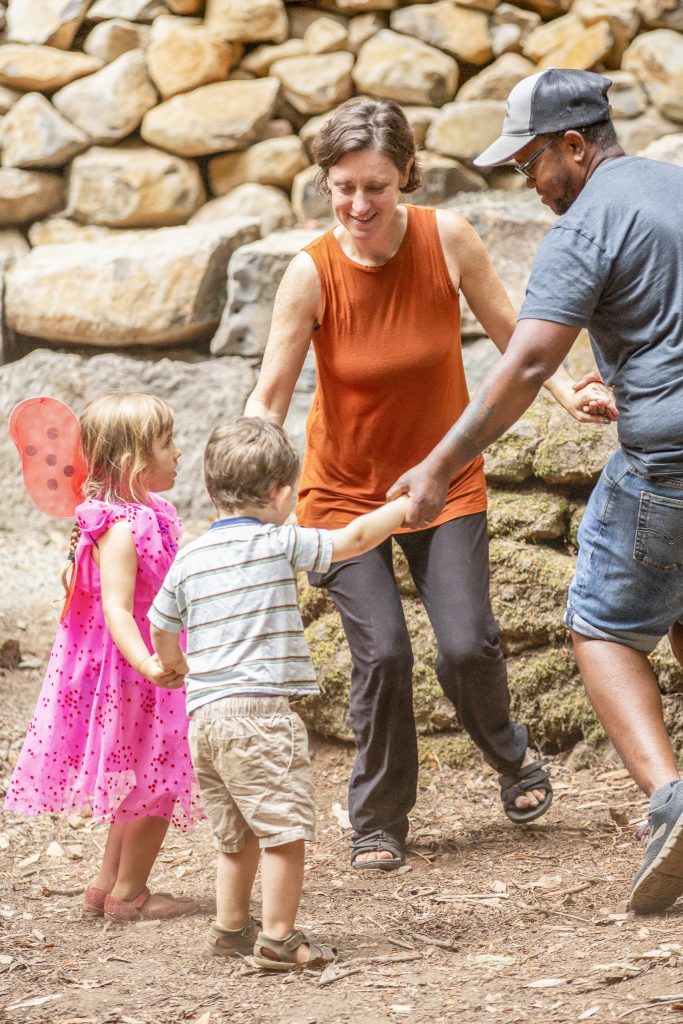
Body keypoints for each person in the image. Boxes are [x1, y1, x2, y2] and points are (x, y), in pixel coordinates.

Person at [243, 96, 615, 870]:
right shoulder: (308, 273)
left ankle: (510, 757)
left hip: (442, 483)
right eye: (342, 186)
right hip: (343, 499)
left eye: (375, 186)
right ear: (324, 183)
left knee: (466, 645)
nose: (357, 204)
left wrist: (564, 391)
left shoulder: (448, 239)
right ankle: (378, 819)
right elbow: (269, 398)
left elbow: (515, 336)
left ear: (406, 176)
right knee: (380, 656)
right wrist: (251, 493)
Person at [389, 68, 683, 913]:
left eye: (528, 163)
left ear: (574, 145)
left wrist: (439, 466)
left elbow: (525, 362)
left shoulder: (586, 224)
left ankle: (669, 801)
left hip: (664, 461)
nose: (526, 181)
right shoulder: (671, 186)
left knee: (603, 622)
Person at [148, 417, 410, 968]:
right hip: (260, 715)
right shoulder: (277, 541)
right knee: (283, 832)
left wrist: (171, 664)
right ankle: (280, 937)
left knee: (235, 835)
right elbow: (354, 539)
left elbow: (161, 622)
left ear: (211, 488)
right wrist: (405, 506)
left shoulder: (190, 557)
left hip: (206, 718)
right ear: (281, 493)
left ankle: (230, 928)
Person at [5, 392, 201, 923]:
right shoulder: (121, 528)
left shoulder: (149, 513)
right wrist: (150, 665)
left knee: (137, 778)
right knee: (159, 781)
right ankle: (131, 893)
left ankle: (106, 883)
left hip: (141, 666)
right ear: (135, 461)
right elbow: (116, 610)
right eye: (167, 443)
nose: (179, 453)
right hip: (137, 674)